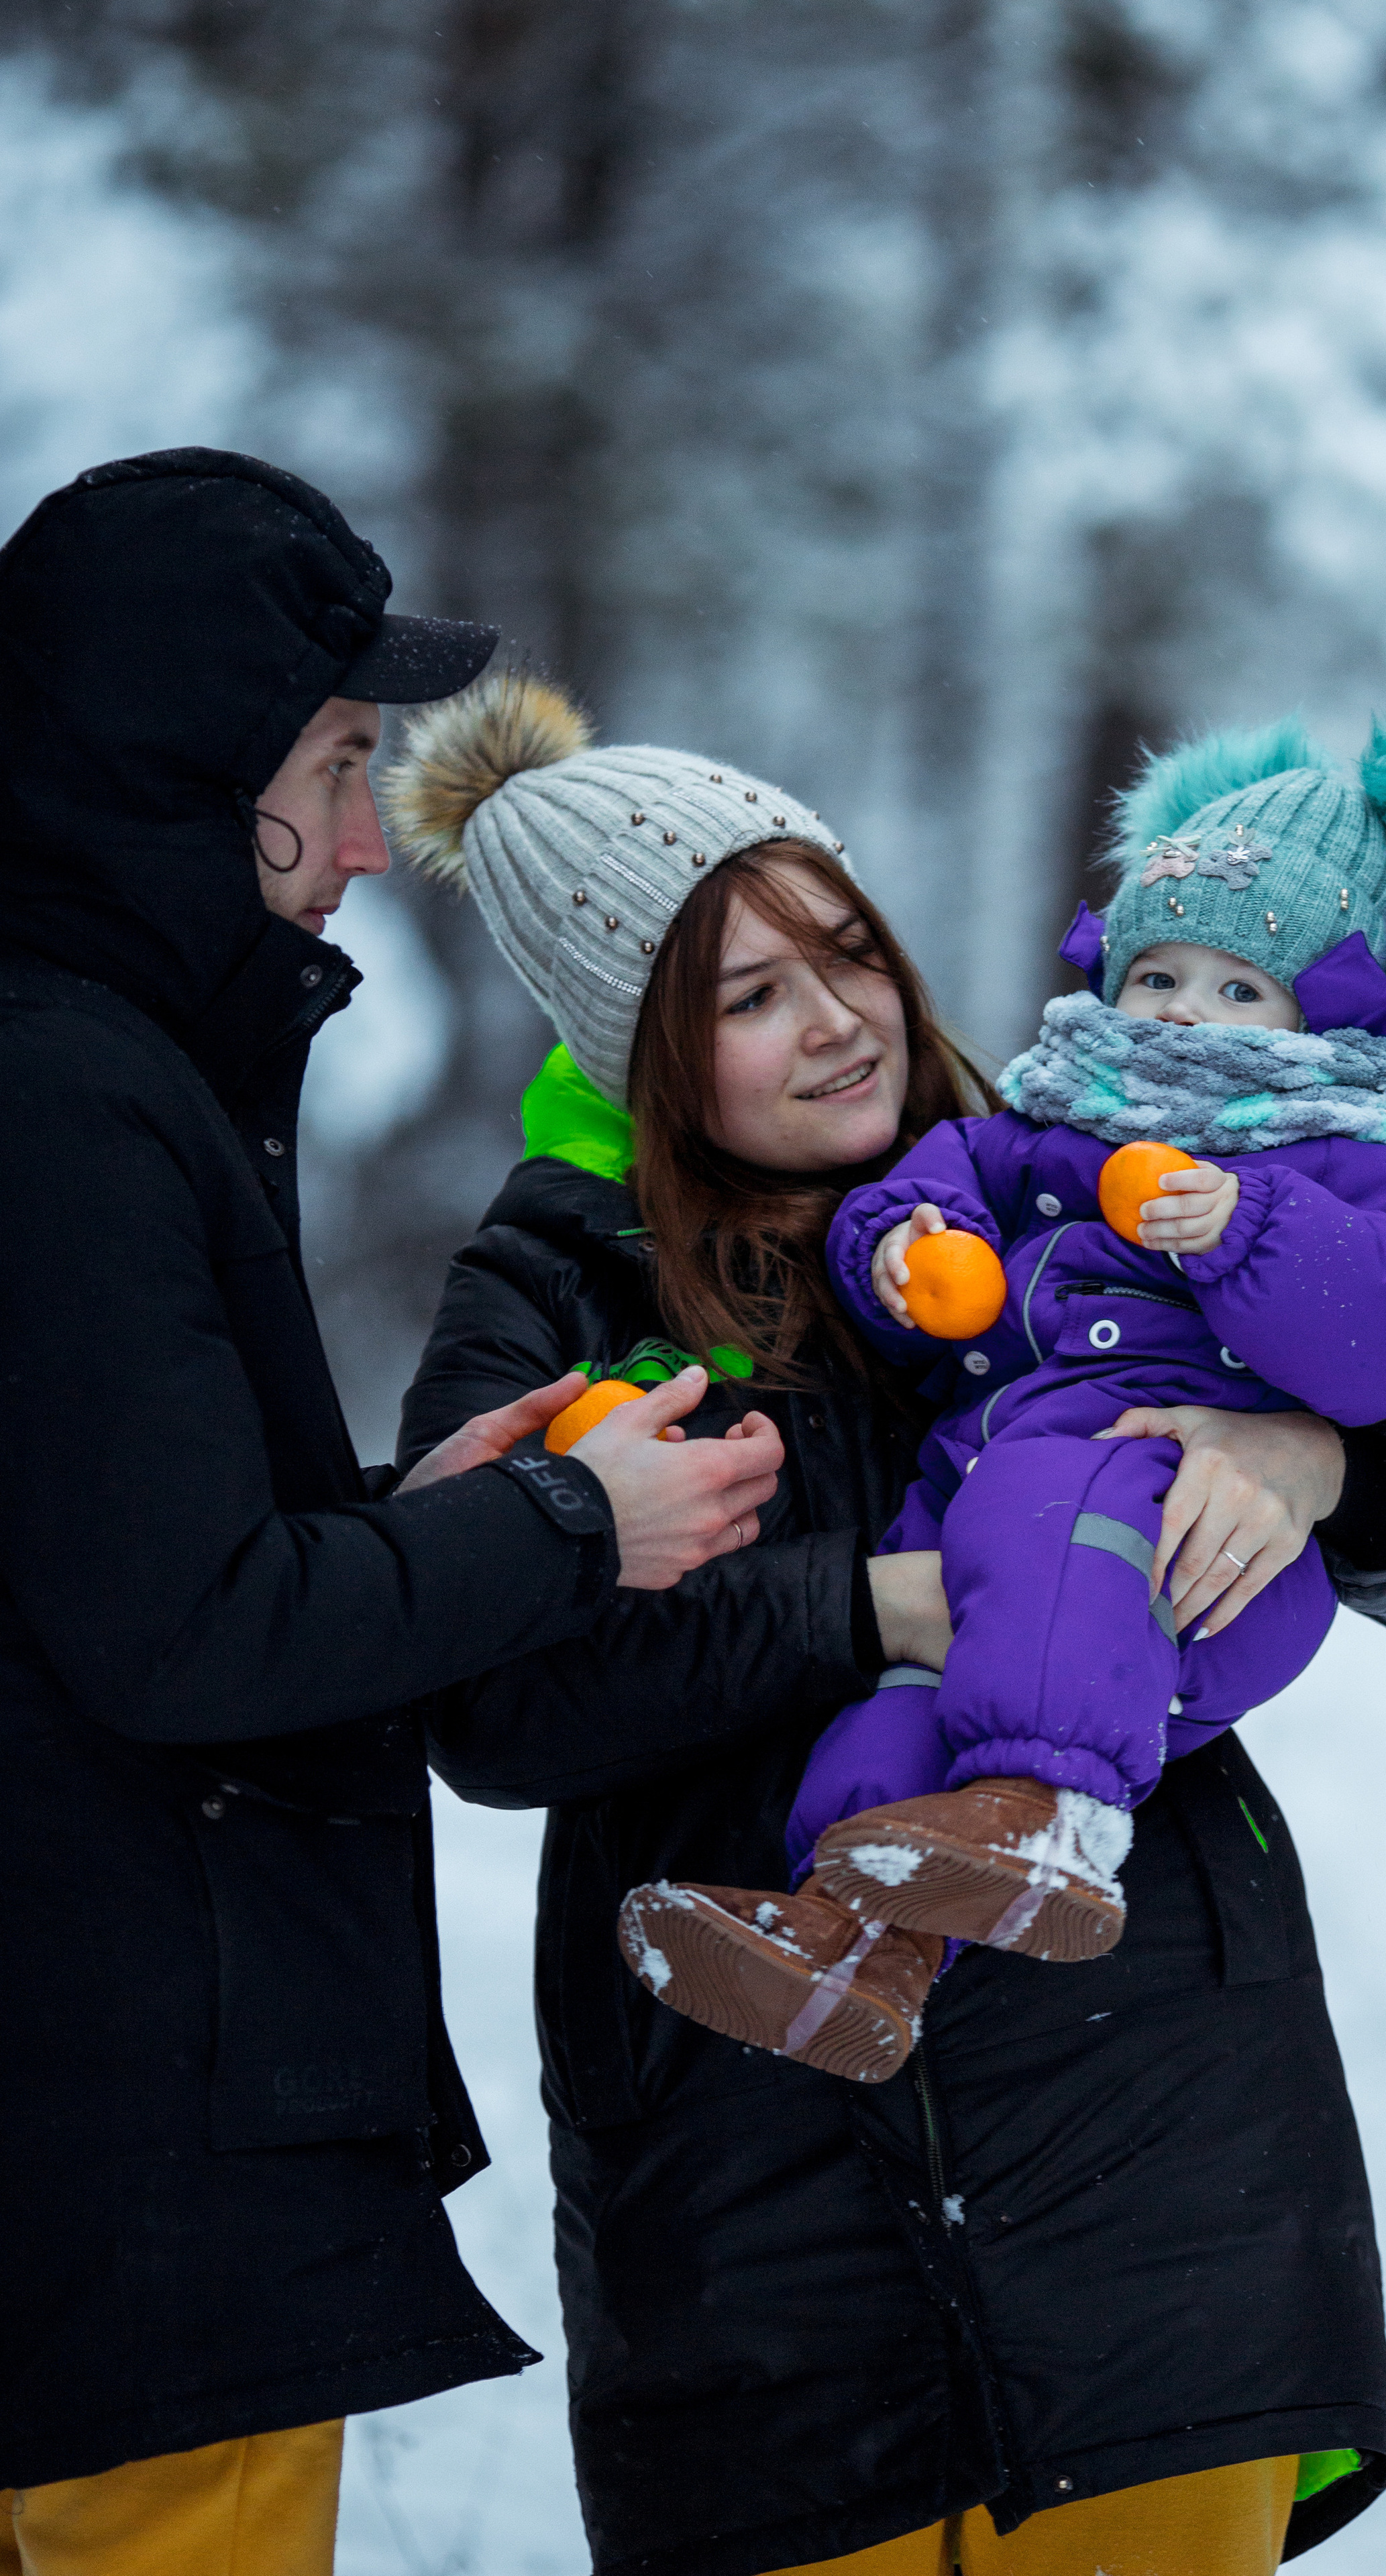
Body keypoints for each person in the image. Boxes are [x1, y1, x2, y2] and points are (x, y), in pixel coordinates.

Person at [387, 669, 1386, 2574]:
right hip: (762, 2248)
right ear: (642, 1048)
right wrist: (876, 1606)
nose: (837, 1020)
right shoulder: (558, 1290)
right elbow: (487, 1709)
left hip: (1155, 2189)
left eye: (848, 952)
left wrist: (1327, 1457)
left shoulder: (1097, 1162)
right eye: (746, 998)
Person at [0, 453, 781, 2575]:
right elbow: (185, 1632)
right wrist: (568, 1535)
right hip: (129, 2192)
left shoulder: (109, 1065)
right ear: (181, 766)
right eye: (339, 762)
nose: (367, 836)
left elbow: (104, 1552)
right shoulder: (65, 1095)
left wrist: (411, 1510)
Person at [620, 704, 1386, 2077]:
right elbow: (941, 1176)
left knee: (1052, 1493)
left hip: (1176, 1551)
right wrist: (907, 1247)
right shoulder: (1050, 1124)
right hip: (984, 1524)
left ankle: (1051, 1816)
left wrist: (1250, 1242)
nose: (1185, 1015)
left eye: (1238, 990)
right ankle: (847, 1939)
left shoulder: (1344, 1150)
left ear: (1323, 1014)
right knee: (901, 1706)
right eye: (1159, 976)